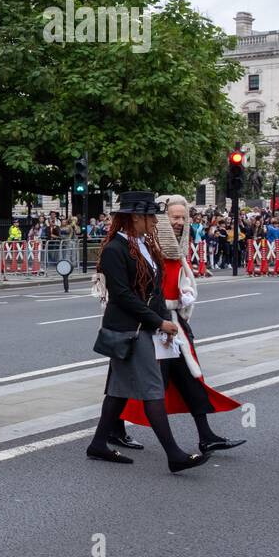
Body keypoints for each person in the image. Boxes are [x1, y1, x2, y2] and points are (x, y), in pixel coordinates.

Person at [85, 191, 209, 473]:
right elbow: (123, 296)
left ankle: (99, 444)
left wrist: (164, 320)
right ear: (136, 217)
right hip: (130, 329)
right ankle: (174, 454)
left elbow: (154, 292)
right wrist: (158, 323)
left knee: (117, 391)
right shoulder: (114, 249)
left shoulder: (142, 245)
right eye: (151, 216)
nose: (156, 221)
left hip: (142, 326)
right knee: (153, 390)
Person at [118, 195, 245, 454]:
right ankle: (117, 430)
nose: (179, 222)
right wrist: (162, 315)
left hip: (173, 323)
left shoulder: (174, 248)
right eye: (174, 217)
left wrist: (182, 300)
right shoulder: (146, 247)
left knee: (189, 379)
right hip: (154, 323)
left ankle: (205, 435)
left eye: (182, 217)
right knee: (145, 384)